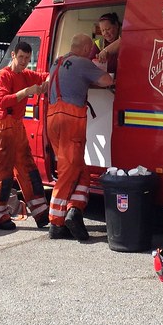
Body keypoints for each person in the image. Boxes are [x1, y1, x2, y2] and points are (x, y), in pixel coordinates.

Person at [46, 33, 114, 240]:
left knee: (79, 169)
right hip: (71, 120)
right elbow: (107, 80)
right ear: (85, 49)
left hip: (52, 119)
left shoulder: (57, 63)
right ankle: (56, 223)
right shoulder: (82, 63)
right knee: (68, 171)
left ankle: (74, 210)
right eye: (90, 49)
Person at [0, 41, 50, 230]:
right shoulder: (3, 76)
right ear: (13, 55)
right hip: (1, 128)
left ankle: (41, 213)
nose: (24, 61)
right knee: (2, 173)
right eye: (21, 57)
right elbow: (1, 101)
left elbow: (46, 75)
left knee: (28, 169)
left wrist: (46, 83)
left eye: (27, 59)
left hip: (16, 127)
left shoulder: (26, 74)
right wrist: (25, 92)